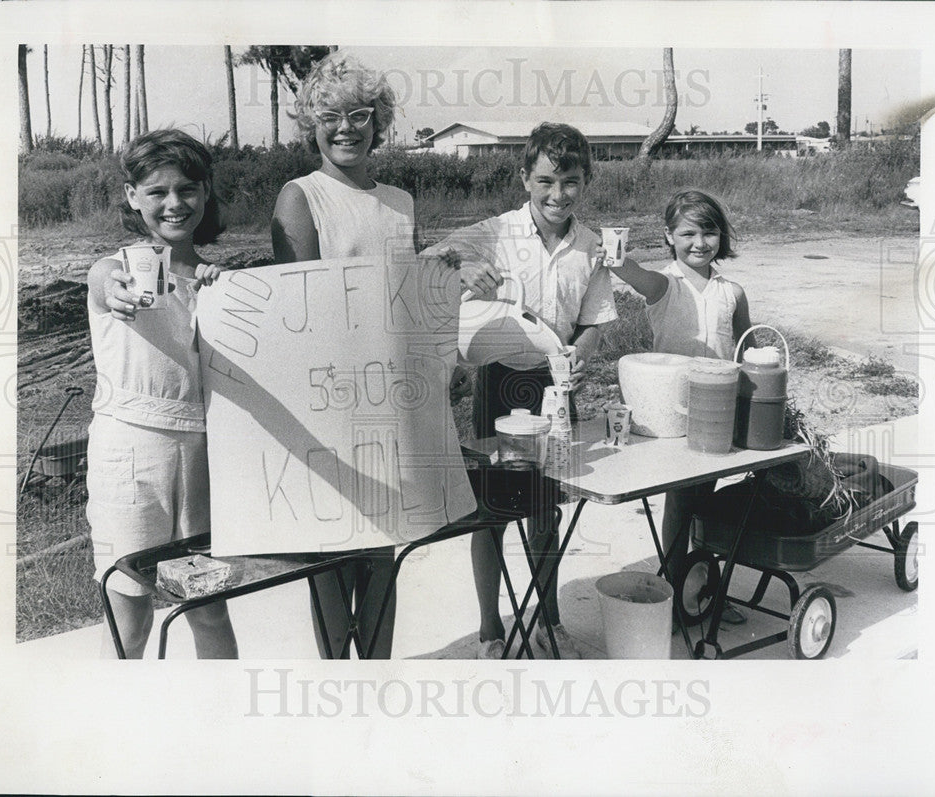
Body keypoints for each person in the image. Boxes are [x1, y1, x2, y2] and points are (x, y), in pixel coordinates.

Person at [423, 123, 618, 659]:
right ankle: (490, 630)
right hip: (500, 382)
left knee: (547, 506)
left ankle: (547, 620)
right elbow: (430, 259)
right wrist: (464, 268)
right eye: (546, 181)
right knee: (490, 512)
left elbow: (595, 320)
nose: (558, 195)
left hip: (558, 386)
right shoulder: (498, 230)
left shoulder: (591, 246)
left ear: (586, 181)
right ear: (525, 179)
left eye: (571, 182)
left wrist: (584, 350)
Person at [270, 51, 418, 659]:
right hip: (327, 400)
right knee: (330, 553)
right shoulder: (299, 196)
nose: (346, 127)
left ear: (377, 122)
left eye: (359, 114)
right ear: (312, 124)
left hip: (391, 399)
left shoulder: (402, 200)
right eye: (330, 115)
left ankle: (377, 686)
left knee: (384, 550)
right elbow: (296, 312)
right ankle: (337, 686)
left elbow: (411, 299)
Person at [87, 129, 238, 658]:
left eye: (188, 189)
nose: (175, 203)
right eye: (157, 192)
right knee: (130, 613)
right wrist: (114, 291)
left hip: (200, 459)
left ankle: (221, 727)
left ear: (206, 192)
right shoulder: (118, 268)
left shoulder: (216, 281)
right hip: (131, 455)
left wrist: (223, 296)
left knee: (209, 608)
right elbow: (104, 284)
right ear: (132, 196)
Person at [609, 189, 751, 624]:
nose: (699, 242)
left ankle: (704, 590)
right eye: (688, 232)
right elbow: (634, 275)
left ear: (720, 236)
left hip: (718, 412)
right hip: (673, 412)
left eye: (709, 232)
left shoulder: (733, 291)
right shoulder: (666, 284)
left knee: (706, 504)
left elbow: (747, 347)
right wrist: (615, 257)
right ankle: (673, 593)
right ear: (669, 236)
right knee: (680, 502)